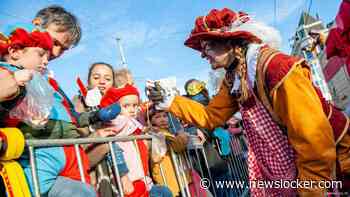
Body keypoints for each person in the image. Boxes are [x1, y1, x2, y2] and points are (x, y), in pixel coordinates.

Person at [147, 8, 350, 195]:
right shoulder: (235, 77)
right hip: (288, 171)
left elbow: (314, 142)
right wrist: (170, 100)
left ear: (231, 42)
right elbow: (210, 116)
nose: (203, 55)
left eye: (207, 46)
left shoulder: (276, 68)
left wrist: (310, 191)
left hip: (332, 168)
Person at [73, 62, 135, 197]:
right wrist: (94, 135)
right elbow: (75, 134)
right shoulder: (78, 103)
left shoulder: (118, 105)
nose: (102, 82)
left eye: (107, 79)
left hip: (122, 165)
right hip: (89, 166)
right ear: (88, 81)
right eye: (96, 78)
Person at [100, 84, 173, 197]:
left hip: (143, 177)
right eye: (126, 106)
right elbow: (115, 122)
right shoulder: (118, 121)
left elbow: (139, 128)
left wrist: (147, 130)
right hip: (129, 178)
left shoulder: (132, 121)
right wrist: (109, 113)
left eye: (135, 105)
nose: (132, 109)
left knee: (164, 192)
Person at [148, 107, 187, 196]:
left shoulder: (168, 132)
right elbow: (178, 146)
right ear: (150, 121)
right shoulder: (158, 134)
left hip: (177, 175)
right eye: (157, 117)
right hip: (167, 176)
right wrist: (182, 134)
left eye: (165, 116)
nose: (162, 119)